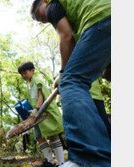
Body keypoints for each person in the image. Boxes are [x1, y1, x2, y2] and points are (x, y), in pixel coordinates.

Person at [30, 0, 111, 166]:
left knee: (71, 81)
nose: (44, 20)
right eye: (40, 21)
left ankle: (90, 159)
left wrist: (63, 73)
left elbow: (66, 36)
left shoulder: (53, 5)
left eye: (40, 15)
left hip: (102, 19)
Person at [18, 62, 65, 167]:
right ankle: (49, 162)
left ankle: (62, 163)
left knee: (53, 136)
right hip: (36, 115)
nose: (24, 76)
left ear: (32, 70)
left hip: (45, 113)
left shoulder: (36, 81)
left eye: (25, 73)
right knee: (39, 137)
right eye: (22, 74)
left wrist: (37, 109)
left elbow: (40, 96)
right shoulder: (29, 85)